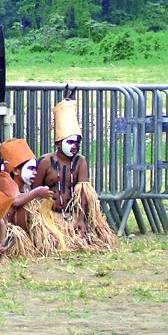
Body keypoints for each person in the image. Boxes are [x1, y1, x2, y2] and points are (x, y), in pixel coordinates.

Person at [33, 99, 118, 251]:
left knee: (86, 240)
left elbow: (83, 192)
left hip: (73, 215)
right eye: (71, 142)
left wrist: (81, 218)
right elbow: (35, 192)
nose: (75, 146)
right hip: (50, 216)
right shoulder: (46, 161)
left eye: (78, 142)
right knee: (53, 242)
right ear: (59, 142)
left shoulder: (81, 162)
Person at [0, 137, 56, 256]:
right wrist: (37, 192)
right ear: (16, 171)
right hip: (3, 230)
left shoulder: (25, 187)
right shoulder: (5, 183)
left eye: (36, 169)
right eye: (31, 168)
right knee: (24, 209)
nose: (35, 172)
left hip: (18, 232)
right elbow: (15, 201)